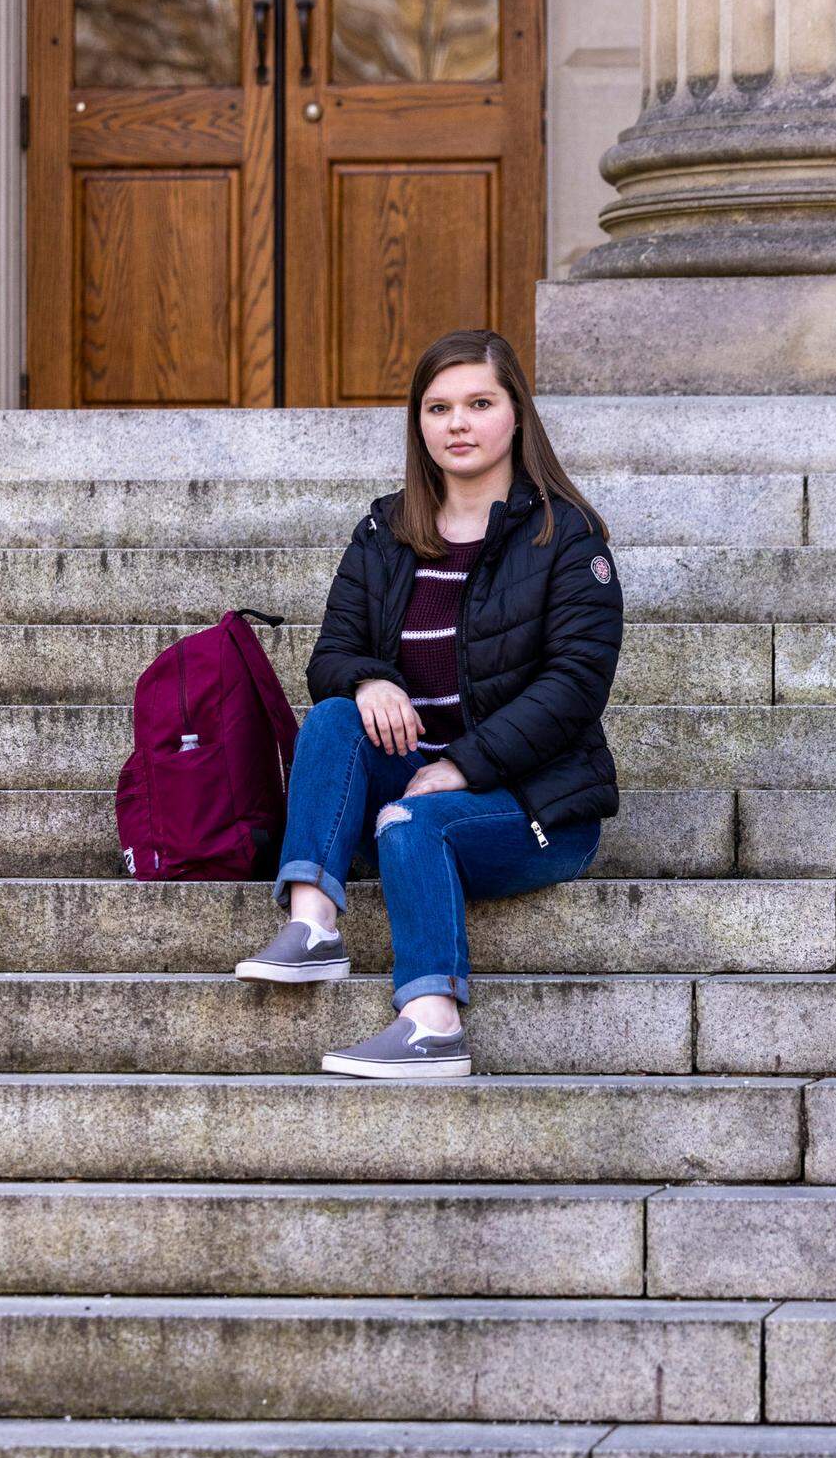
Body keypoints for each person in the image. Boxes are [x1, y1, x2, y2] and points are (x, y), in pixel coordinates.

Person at [234, 326, 623, 1077]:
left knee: (412, 823)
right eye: (439, 408)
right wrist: (369, 680)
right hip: (410, 773)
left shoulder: (566, 538)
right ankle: (312, 923)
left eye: (480, 403)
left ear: (516, 415)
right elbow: (331, 656)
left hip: (533, 806)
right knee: (336, 717)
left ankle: (432, 1025)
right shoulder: (385, 531)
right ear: (419, 423)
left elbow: (574, 686)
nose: (458, 424)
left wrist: (463, 767)